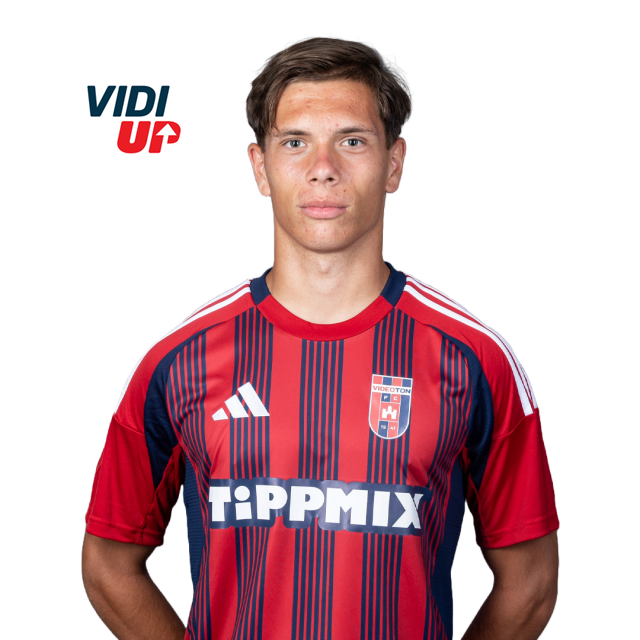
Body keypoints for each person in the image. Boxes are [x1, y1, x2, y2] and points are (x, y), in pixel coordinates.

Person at [81, 35, 559, 640]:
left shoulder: (476, 358)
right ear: (259, 167)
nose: (323, 168)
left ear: (395, 163)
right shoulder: (177, 360)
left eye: (352, 141)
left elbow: (532, 578)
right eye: (295, 142)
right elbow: (107, 560)